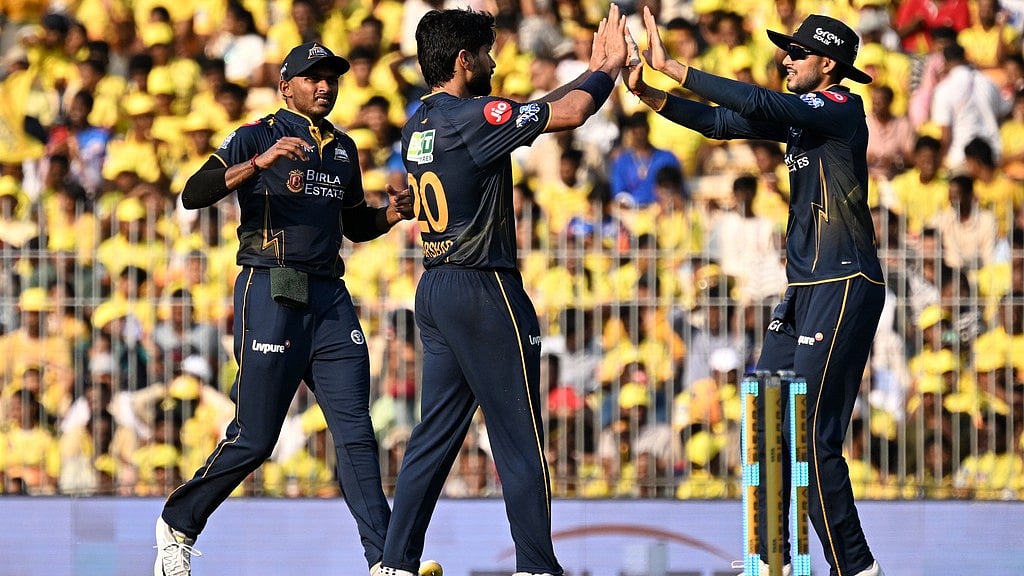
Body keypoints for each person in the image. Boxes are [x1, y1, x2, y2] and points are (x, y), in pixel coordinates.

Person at [624, 8, 887, 576]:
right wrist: (648, 91)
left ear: (828, 64)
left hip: (844, 281)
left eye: (796, 52)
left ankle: (858, 569)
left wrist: (673, 65)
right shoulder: (802, 120)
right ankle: (772, 562)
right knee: (766, 424)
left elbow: (763, 104)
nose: (785, 59)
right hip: (803, 291)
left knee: (815, 440)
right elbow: (720, 124)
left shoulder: (841, 107)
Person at [378, 6, 628, 576]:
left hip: (436, 287)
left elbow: (533, 113)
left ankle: (393, 564)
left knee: (433, 436)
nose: (493, 62)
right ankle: (538, 567)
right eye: (487, 53)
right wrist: (606, 69)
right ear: (465, 61)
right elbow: (570, 112)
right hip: (485, 289)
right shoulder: (476, 117)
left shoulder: (419, 122)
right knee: (518, 438)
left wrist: (584, 70)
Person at [152, 41, 414, 576]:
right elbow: (193, 193)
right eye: (312, 77)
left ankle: (386, 562)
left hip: (329, 297)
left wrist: (391, 215)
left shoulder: (343, 149)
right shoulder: (257, 134)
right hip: (270, 286)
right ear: (285, 85)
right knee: (255, 437)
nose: (324, 86)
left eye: (331, 77)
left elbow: (353, 225)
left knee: (356, 432)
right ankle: (178, 523)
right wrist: (256, 164)